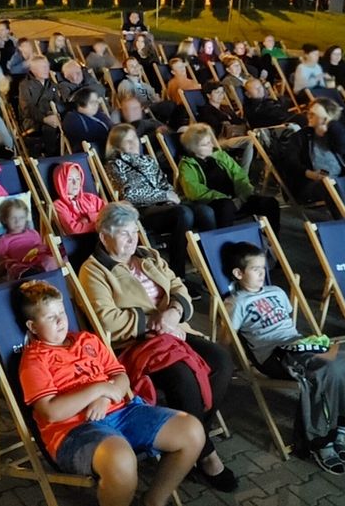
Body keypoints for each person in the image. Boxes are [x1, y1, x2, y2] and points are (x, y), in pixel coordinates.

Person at [79, 203, 238, 492]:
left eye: (134, 233)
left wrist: (175, 311)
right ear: (104, 237)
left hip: (174, 331)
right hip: (137, 343)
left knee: (222, 362)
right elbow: (107, 319)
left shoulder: (147, 256)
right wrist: (156, 322)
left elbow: (179, 286)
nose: (132, 240)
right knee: (182, 376)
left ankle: (191, 441)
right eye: (124, 234)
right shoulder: (94, 271)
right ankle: (205, 455)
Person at [17, 280, 204, 506]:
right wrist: (100, 388)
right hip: (74, 429)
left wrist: (106, 396)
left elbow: (120, 376)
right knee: (121, 461)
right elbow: (52, 412)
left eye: (62, 312)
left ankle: (154, 500)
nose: (60, 321)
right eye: (49, 317)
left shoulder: (88, 340)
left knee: (192, 431)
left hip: (124, 411)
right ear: (33, 326)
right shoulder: (35, 360)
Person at [224, 242, 345, 474]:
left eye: (263, 268)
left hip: (302, 345)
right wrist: (230, 368)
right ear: (238, 273)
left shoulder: (276, 292)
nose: (262, 273)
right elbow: (227, 340)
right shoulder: (236, 303)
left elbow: (287, 324)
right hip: (276, 355)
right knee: (328, 370)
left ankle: (339, 422)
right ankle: (320, 441)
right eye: (255, 269)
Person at [104, 125, 215, 279]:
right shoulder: (114, 165)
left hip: (165, 207)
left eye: (134, 139)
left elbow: (164, 183)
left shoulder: (147, 160)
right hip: (142, 211)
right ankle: (178, 274)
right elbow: (129, 195)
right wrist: (164, 196)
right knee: (184, 214)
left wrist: (170, 195)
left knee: (206, 212)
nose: (134, 143)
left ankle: (211, 268)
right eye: (127, 141)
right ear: (117, 146)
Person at [177, 124, 280, 232]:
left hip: (237, 198)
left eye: (210, 141)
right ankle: (224, 242)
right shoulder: (187, 165)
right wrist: (225, 198)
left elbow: (239, 175)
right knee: (227, 206)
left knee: (271, 203)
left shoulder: (220, 155)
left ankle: (272, 241)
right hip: (214, 202)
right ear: (194, 148)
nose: (211, 145)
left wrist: (242, 197)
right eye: (206, 144)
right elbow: (194, 190)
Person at [282, 98, 345, 217]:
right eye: (308, 113)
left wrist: (329, 126)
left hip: (341, 177)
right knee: (329, 185)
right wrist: (309, 173)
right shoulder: (300, 137)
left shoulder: (337, 134)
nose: (309, 116)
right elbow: (289, 162)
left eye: (314, 114)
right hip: (310, 183)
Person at [0, 198, 58, 278]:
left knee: (57, 255)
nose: (18, 222)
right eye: (13, 218)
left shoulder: (33, 232)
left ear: (26, 218)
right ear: (5, 220)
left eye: (22, 218)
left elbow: (41, 246)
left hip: (42, 257)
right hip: (27, 266)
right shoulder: (5, 240)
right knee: (49, 262)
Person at [197, 80, 253, 173]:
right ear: (209, 95)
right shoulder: (205, 110)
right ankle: (244, 174)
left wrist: (229, 119)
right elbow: (214, 123)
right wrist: (228, 119)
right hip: (220, 139)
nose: (220, 94)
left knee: (256, 136)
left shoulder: (225, 108)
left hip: (234, 135)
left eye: (222, 92)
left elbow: (238, 121)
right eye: (217, 92)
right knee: (250, 140)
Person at [18, 56, 66, 156]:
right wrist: (44, 119)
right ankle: (52, 157)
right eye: (43, 67)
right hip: (32, 120)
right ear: (33, 69)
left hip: (52, 116)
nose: (46, 70)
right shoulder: (25, 85)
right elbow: (27, 108)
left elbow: (58, 103)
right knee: (49, 128)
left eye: (47, 67)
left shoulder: (51, 84)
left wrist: (57, 116)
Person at [52, 160, 105, 235]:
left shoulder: (90, 198)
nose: (75, 183)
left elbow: (110, 214)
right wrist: (100, 224)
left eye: (78, 179)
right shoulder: (59, 205)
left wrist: (88, 217)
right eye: (70, 179)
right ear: (61, 182)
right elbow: (73, 230)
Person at [116, 58, 173, 123]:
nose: (135, 68)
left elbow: (155, 99)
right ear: (126, 70)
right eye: (132, 66)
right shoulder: (125, 84)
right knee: (169, 106)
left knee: (171, 105)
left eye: (137, 65)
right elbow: (128, 104)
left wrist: (157, 99)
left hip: (151, 109)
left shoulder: (145, 85)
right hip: (139, 112)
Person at [63, 87, 113, 154]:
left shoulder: (99, 114)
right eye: (92, 102)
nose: (96, 105)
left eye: (97, 102)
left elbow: (112, 127)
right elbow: (83, 138)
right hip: (89, 150)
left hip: (107, 144)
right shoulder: (72, 118)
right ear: (81, 103)